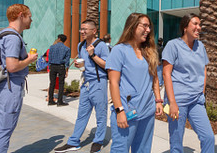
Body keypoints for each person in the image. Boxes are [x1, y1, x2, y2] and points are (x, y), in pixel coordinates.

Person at [106, 13, 163, 152]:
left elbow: (155, 77)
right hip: (127, 111)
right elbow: (113, 83)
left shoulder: (148, 51)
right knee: (120, 149)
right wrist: (119, 110)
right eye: (144, 25)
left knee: (143, 150)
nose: (148, 30)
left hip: (147, 111)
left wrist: (158, 100)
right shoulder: (119, 50)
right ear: (132, 26)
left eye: (149, 26)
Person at [162, 13, 214, 153]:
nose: (199, 27)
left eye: (199, 24)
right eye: (195, 24)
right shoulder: (173, 45)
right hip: (178, 100)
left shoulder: (200, 46)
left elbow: (204, 69)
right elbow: (166, 73)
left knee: (208, 137)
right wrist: (172, 102)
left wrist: (201, 92)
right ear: (185, 27)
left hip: (196, 99)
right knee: (176, 143)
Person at [0, 4, 38, 153]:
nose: (31, 20)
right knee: (5, 128)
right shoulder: (13, 37)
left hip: (4, 85)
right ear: (21, 15)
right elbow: (12, 66)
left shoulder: (4, 34)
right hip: (10, 86)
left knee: (0, 127)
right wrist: (30, 60)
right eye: (30, 16)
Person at [55, 20, 109, 153]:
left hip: (98, 82)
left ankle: (98, 141)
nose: (82, 32)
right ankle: (74, 142)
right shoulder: (80, 45)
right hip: (86, 83)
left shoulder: (101, 46)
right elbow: (85, 62)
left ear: (94, 31)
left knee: (101, 114)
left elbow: (107, 65)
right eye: (81, 29)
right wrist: (80, 64)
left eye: (85, 29)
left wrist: (93, 55)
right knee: (81, 114)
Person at [47, 34, 71, 106]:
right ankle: (60, 101)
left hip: (53, 66)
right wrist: (67, 70)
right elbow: (67, 61)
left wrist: (50, 66)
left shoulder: (52, 47)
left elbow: (50, 57)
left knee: (52, 83)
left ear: (59, 38)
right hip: (61, 66)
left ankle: (50, 100)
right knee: (61, 84)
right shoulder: (67, 49)